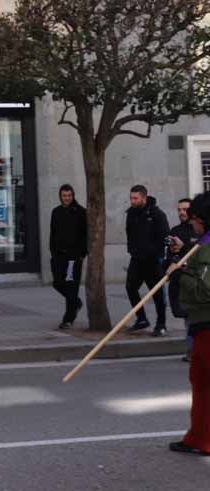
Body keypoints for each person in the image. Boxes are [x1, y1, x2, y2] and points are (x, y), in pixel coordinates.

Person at [166, 193, 210, 456]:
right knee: (201, 380)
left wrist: (181, 274)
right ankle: (197, 436)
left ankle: (200, 439)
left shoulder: (207, 249)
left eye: (194, 219)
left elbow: (205, 291)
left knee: (203, 382)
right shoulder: (202, 245)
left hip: (207, 325)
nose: (191, 224)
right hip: (203, 325)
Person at [125, 185, 170, 336]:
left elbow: (164, 237)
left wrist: (153, 252)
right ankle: (141, 318)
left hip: (153, 260)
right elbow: (129, 233)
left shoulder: (157, 214)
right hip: (136, 259)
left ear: (144, 198)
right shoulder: (131, 213)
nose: (132, 201)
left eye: (135, 198)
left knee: (157, 293)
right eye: (131, 198)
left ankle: (161, 324)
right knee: (131, 287)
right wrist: (132, 250)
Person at [50, 184, 88, 329]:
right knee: (58, 283)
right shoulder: (56, 212)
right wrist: (53, 253)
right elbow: (52, 234)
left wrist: (81, 254)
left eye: (69, 196)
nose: (66, 198)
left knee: (71, 286)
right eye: (64, 196)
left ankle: (68, 318)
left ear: (73, 196)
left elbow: (86, 235)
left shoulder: (81, 212)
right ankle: (76, 303)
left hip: (74, 257)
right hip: (58, 256)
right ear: (61, 196)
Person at [168, 199, 197, 361]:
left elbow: (200, 252)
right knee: (188, 319)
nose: (181, 212)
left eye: (185, 209)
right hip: (181, 282)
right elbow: (170, 255)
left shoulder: (201, 232)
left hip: (198, 284)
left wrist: (184, 246)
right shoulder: (174, 231)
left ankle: (195, 351)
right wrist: (171, 262)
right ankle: (193, 350)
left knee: (196, 319)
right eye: (179, 209)